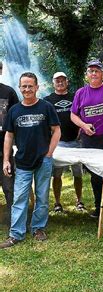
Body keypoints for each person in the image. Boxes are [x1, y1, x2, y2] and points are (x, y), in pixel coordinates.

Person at [0, 72, 60, 249]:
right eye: (24, 86)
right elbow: (9, 136)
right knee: (19, 198)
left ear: (36, 87)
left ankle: (38, 228)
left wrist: (49, 153)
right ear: (20, 88)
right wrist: (6, 160)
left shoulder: (46, 107)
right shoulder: (14, 110)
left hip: (43, 161)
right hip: (23, 162)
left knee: (42, 197)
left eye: (30, 86)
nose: (27, 89)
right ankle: (16, 234)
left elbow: (56, 130)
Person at [70, 60, 103, 218]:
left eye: (97, 71)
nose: (93, 74)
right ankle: (100, 207)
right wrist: (84, 125)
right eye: (91, 71)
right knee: (95, 174)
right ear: (87, 75)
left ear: (102, 74)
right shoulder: (80, 93)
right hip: (89, 140)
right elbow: (73, 115)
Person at [44, 72, 84, 213]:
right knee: (57, 174)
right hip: (58, 143)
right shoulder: (47, 100)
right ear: (53, 83)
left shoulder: (75, 97)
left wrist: (82, 129)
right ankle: (57, 203)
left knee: (78, 174)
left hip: (76, 141)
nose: (60, 83)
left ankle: (79, 201)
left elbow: (82, 114)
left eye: (62, 80)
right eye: (57, 80)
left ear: (67, 82)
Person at [0, 61, 19, 226]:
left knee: (9, 187)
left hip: (4, 151)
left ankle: (14, 220)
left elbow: (17, 119)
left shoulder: (9, 92)